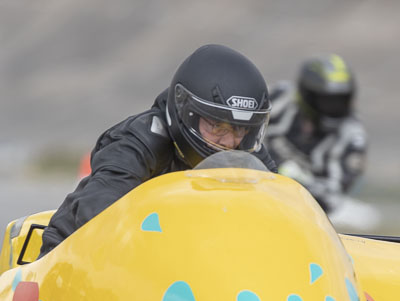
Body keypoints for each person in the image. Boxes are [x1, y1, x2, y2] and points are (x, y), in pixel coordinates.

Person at [39, 44, 277, 256]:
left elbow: (280, 209)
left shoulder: (246, 152)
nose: (230, 142)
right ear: (185, 112)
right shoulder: (137, 143)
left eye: (239, 129)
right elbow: (98, 215)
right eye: (217, 126)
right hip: (71, 261)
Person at [265, 54, 367, 212]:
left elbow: (333, 198)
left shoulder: (353, 137)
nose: (334, 107)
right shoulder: (278, 98)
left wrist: (293, 178)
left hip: (297, 211)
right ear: (307, 95)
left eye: (341, 100)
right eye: (326, 100)